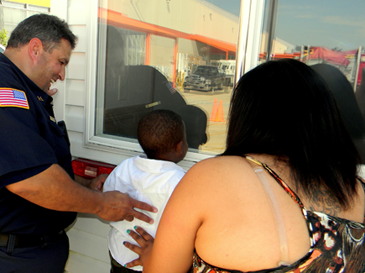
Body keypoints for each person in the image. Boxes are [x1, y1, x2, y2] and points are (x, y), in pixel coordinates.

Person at [124, 59, 365, 272]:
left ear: (246, 115)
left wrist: (150, 258)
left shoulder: (211, 177)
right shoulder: (358, 189)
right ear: (325, 117)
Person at [0, 14, 157, 273]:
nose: (61, 75)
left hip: (31, 252)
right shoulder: (7, 90)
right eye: (61, 62)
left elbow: (37, 161)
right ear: (36, 49)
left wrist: (84, 185)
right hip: (14, 257)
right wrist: (102, 204)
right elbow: (30, 180)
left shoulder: (27, 93)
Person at [103, 109, 188, 273]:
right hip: (156, 263)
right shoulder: (181, 182)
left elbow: (105, 201)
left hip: (120, 255)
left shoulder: (124, 167)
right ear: (180, 146)